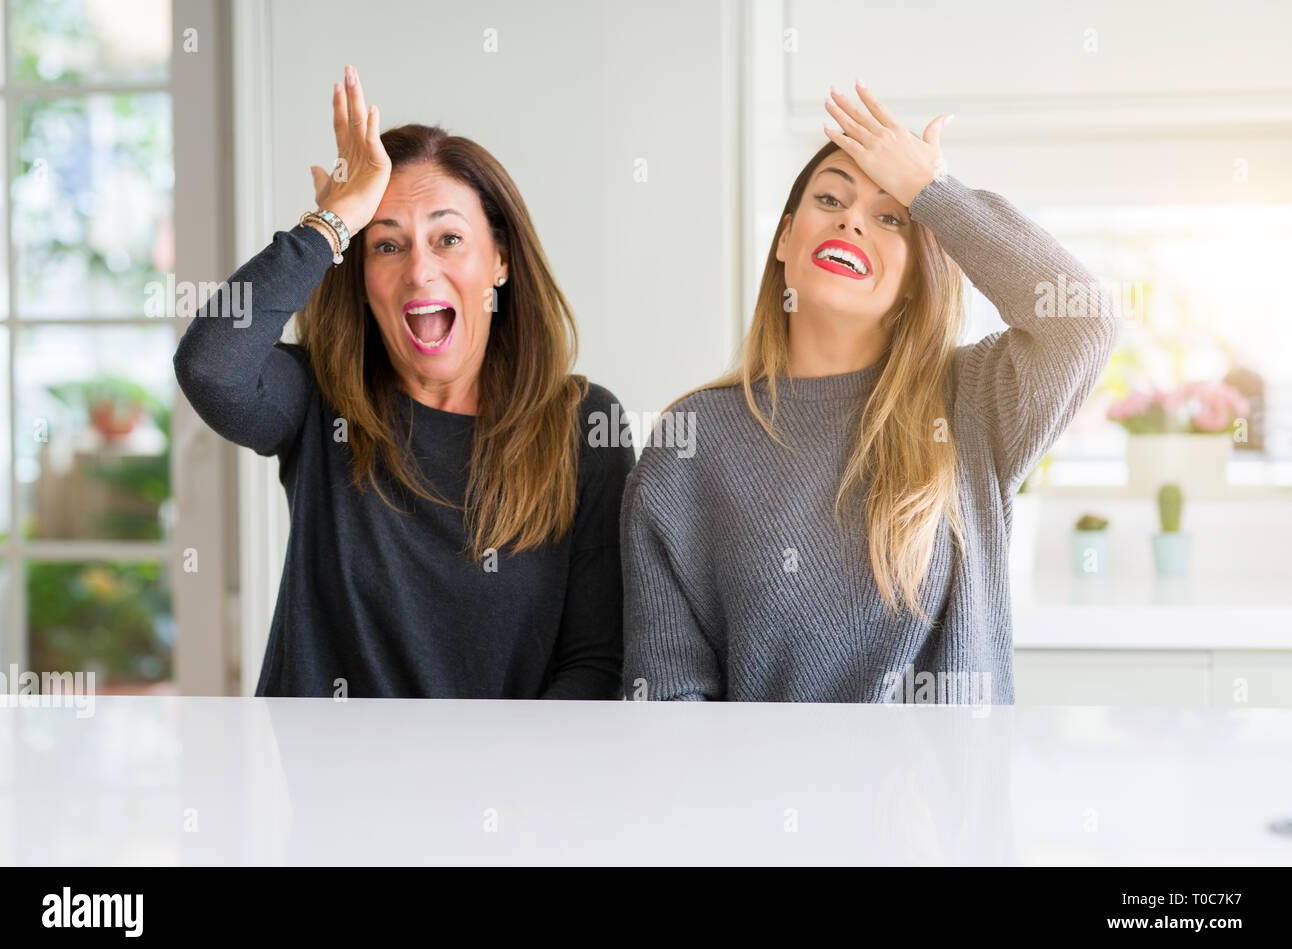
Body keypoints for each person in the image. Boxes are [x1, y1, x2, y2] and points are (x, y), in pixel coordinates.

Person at [621, 82, 1119, 704]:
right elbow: (669, 705)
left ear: (916, 277)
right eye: (829, 198)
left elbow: (1084, 319)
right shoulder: (692, 442)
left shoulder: (971, 402)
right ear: (784, 241)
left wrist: (934, 192)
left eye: (891, 216)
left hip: (951, 804)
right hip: (759, 801)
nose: (850, 218)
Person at [174, 65, 633, 698]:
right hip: (330, 792)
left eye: (448, 239)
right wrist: (331, 223)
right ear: (359, 273)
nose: (420, 270)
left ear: (499, 260)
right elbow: (209, 365)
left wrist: (514, 787)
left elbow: (595, 661)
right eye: (386, 246)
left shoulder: (583, 424)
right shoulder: (319, 399)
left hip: (505, 792)